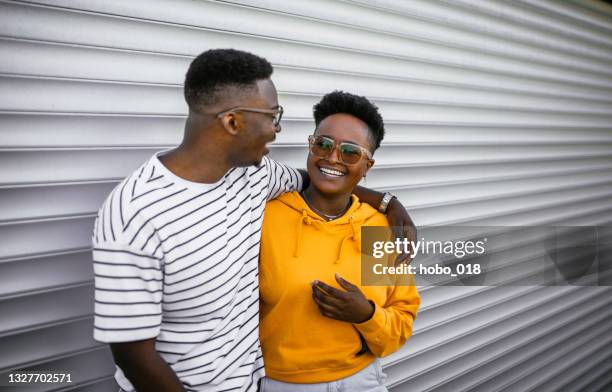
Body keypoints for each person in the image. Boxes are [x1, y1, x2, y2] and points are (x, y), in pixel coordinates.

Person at [92, 49, 415, 392]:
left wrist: (388, 203)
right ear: (233, 122)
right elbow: (130, 354)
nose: (276, 130)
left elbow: (323, 180)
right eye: (273, 116)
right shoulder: (134, 211)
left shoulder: (257, 176)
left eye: (350, 151)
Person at [259, 91, 420, 391]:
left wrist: (367, 316)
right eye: (323, 144)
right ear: (310, 146)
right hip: (284, 383)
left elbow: (401, 321)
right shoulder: (266, 218)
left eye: (350, 152)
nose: (332, 157)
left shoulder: (380, 227)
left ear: (367, 166)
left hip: (362, 381)